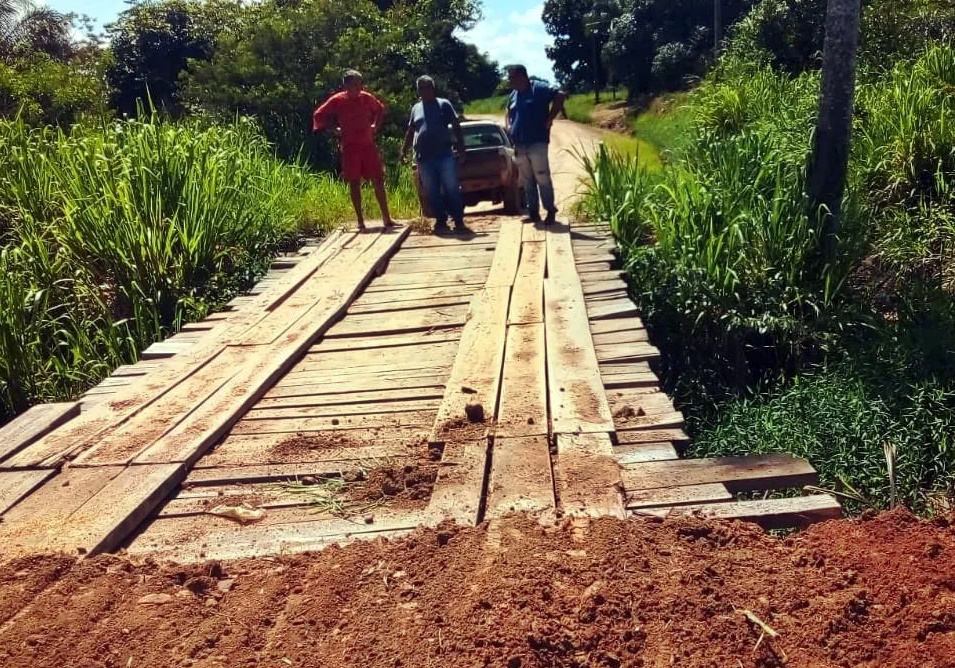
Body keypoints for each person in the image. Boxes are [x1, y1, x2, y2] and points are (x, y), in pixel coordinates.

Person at [312, 69, 396, 232]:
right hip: (350, 146)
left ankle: (387, 218)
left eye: (360, 84)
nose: (358, 88)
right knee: (355, 182)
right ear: (346, 85)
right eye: (354, 84)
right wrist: (333, 129)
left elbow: (380, 109)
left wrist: (375, 126)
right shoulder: (338, 100)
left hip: (367, 144)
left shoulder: (366, 97)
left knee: (378, 179)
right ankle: (360, 220)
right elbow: (319, 114)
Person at [400, 75, 468, 234]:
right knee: (431, 191)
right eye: (421, 88)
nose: (424, 91)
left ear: (433, 88)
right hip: (424, 158)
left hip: (444, 154)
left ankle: (458, 219)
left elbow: (456, 126)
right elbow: (411, 130)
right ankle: (441, 220)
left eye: (427, 87)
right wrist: (403, 150)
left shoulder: (444, 104)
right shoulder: (416, 108)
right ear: (418, 91)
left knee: (451, 188)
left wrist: (461, 148)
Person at [504, 64, 566, 225]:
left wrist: (550, 118)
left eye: (512, 78)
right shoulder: (513, 95)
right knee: (527, 180)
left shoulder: (539, 88)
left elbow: (560, 95)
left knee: (542, 176)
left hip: (537, 142)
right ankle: (533, 213)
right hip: (519, 144)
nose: (510, 82)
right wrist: (509, 126)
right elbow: (509, 112)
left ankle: (550, 210)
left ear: (522, 76)